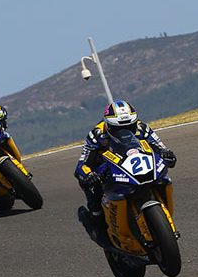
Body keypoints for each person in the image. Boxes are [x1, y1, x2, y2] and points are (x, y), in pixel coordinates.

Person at [74, 100, 176, 245]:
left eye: (130, 126)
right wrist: (89, 175)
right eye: (119, 128)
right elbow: (82, 164)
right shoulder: (97, 135)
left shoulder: (142, 128)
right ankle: (98, 223)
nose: (126, 131)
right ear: (109, 125)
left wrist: (167, 154)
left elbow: (160, 147)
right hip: (108, 167)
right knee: (90, 185)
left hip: (135, 162)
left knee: (163, 176)